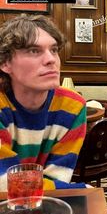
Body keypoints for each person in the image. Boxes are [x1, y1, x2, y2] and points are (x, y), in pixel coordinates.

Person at [0, 14, 87, 192]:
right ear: (5, 63)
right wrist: (77, 190)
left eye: (54, 50)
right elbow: (4, 183)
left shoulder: (72, 106)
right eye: (34, 50)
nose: (51, 60)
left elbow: (55, 178)